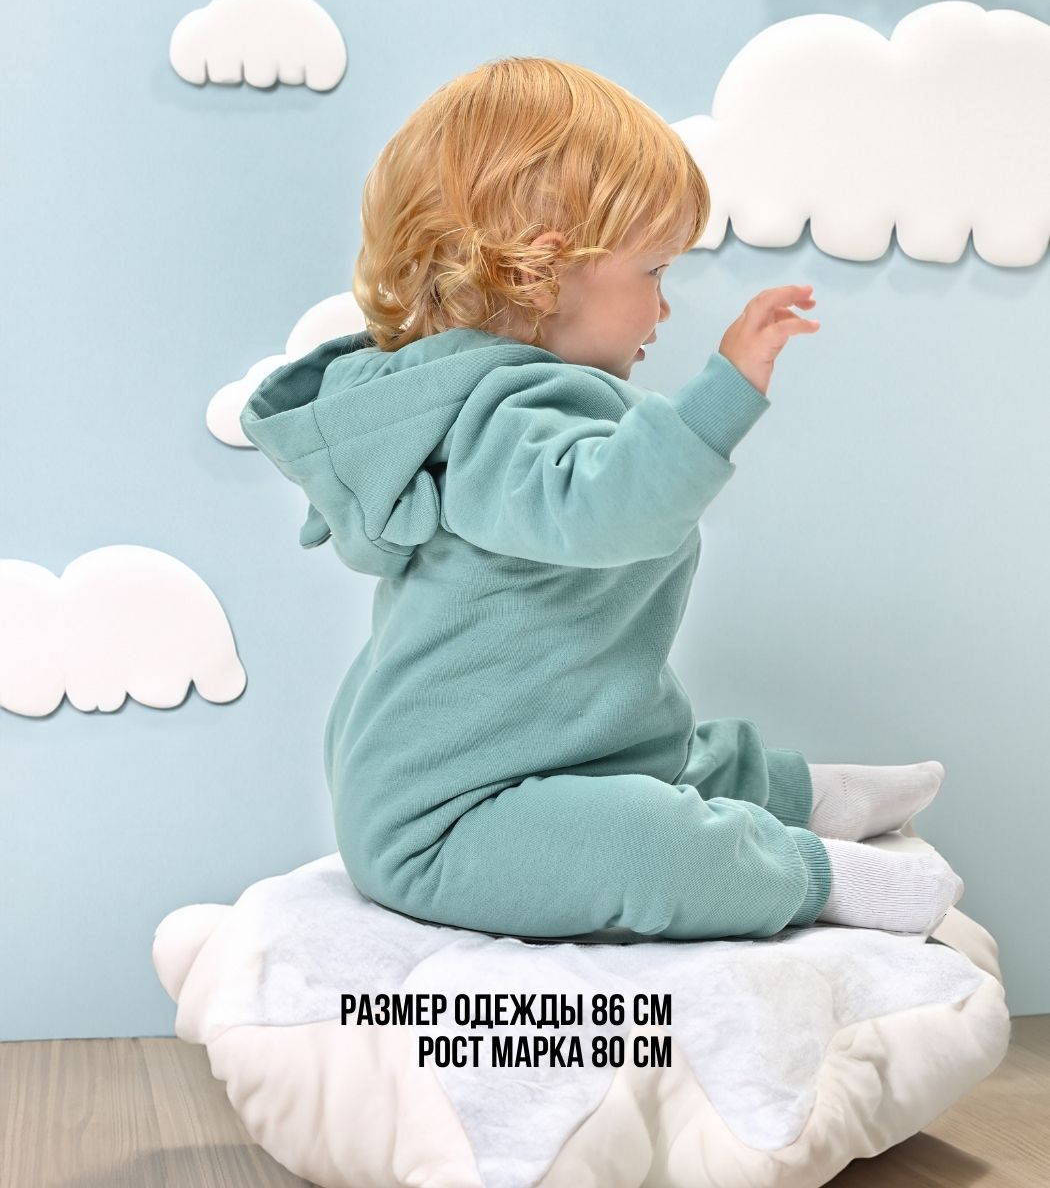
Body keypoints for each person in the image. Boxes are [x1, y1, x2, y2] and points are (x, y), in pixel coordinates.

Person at [241, 56, 963, 941]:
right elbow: (605, 508)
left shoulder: (510, 399)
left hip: (546, 748)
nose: (665, 307)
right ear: (542, 270)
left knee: (656, 751)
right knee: (647, 839)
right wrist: (727, 389)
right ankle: (804, 870)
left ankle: (796, 793)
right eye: (654, 271)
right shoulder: (496, 416)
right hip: (451, 819)